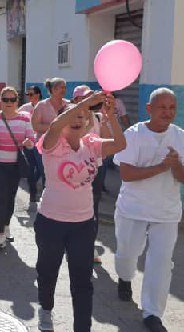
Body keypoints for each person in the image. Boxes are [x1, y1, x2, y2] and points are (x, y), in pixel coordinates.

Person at [35, 91, 126, 332]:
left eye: (84, 116)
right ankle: (46, 308)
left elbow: (120, 144)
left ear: (89, 121)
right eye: (73, 115)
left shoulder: (92, 144)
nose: (79, 119)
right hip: (51, 221)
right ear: (63, 119)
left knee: (82, 282)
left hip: (83, 225)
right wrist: (85, 103)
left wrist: (109, 116)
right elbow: (53, 127)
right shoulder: (50, 143)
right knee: (48, 271)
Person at [113, 87, 184, 332]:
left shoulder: (180, 137)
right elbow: (127, 174)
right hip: (133, 207)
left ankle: (152, 313)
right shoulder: (134, 134)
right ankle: (125, 278)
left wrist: (176, 166)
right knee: (127, 253)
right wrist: (162, 166)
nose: (168, 113)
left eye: (172, 108)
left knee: (161, 263)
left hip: (167, 212)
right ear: (149, 109)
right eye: (162, 107)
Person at [0, 87, 35, 251]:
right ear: (1, 101)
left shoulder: (25, 119)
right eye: (6, 100)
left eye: (12, 100)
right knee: (0, 196)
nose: (9, 103)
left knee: (10, 197)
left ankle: (7, 224)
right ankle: (1, 233)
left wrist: (28, 143)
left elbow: (32, 140)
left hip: (15, 165)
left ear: (17, 101)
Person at [72, 85, 112, 265]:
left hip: (96, 167)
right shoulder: (70, 118)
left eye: (91, 97)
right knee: (74, 206)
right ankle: (72, 241)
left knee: (93, 207)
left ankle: (90, 245)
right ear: (76, 100)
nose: (90, 101)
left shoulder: (99, 117)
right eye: (84, 98)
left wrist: (108, 119)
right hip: (75, 168)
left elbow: (106, 142)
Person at [30, 78, 70, 200]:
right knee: (47, 175)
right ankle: (46, 201)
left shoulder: (68, 105)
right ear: (51, 90)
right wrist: (55, 128)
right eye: (59, 87)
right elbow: (35, 126)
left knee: (59, 175)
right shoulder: (41, 106)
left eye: (64, 87)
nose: (63, 90)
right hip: (44, 146)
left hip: (64, 147)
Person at [20, 85, 42, 201]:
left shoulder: (44, 106)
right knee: (30, 168)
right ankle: (33, 193)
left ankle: (39, 190)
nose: (29, 96)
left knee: (41, 168)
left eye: (31, 94)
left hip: (40, 143)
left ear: (38, 95)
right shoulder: (24, 108)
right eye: (27, 94)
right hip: (28, 143)